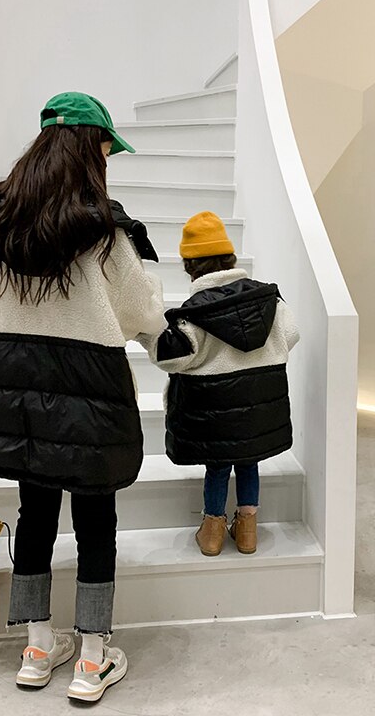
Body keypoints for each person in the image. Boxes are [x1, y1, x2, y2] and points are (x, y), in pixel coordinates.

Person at [0, 92, 164, 702]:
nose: (108, 161)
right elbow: (141, 313)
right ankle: (92, 659)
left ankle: (38, 649)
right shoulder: (103, 230)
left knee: (34, 512)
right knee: (96, 519)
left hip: (12, 400)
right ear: (91, 149)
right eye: (107, 149)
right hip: (88, 399)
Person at [140, 211, 299, 556]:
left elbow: (171, 358)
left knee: (218, 467)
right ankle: (247, 531)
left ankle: (212, 532)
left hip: (215, 417)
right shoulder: (268, 301)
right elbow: (291, 333)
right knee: (249, 461)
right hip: (257, 412)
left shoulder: (194, 314)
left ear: (190, 266)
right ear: (230, 258)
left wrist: (146, 329)